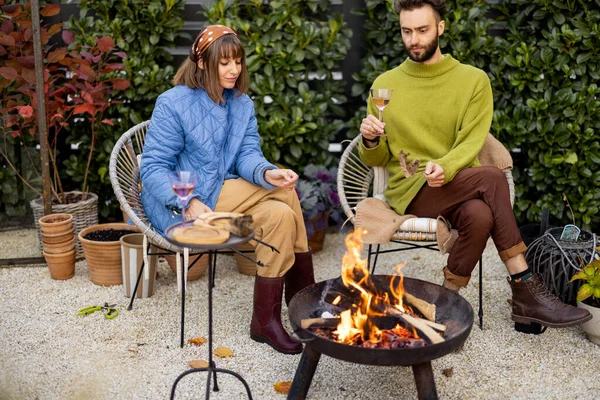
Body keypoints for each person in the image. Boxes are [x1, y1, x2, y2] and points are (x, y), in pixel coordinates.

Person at [358, 0, 591, 329]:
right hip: (410, 191)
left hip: (454, 183)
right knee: (493, 179)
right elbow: (376, 159)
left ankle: (446, 301)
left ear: (440, 27)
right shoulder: (386, 84)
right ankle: (525, 287)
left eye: (423, 30)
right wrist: (370, 140)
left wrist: (447, 167)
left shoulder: (472, 81)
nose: (414, 39)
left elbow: (472, 140)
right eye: (406, 31)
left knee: (479, 215)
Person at [140, 25, 314, 354]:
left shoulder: (241, 104)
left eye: (238, 61)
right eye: (225, 63)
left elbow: (248, 154)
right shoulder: (174, 103)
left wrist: (266, 172)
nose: (234, 69)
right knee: (287, 194)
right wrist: (188, 201)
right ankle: (306, 299)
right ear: (203, 63)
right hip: (181, 203)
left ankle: (265, 322)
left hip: (224, 194)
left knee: (280, 214)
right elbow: (152, 168)